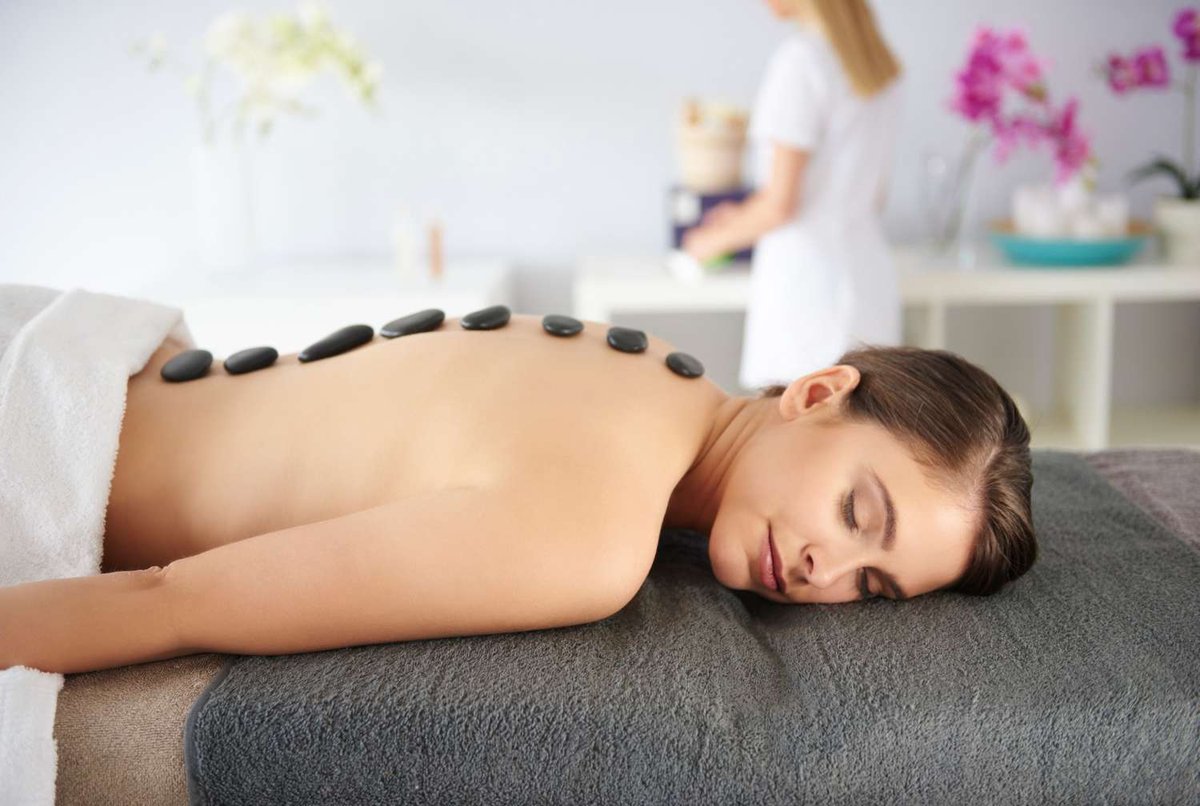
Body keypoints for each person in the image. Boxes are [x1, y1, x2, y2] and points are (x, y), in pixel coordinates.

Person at [0, 313, 1035, 675]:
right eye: (861, 514)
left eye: (876, 587)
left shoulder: (654, 367)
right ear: (815, 393)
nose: (827, 571)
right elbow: (173, 602)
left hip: (86, 349)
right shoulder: (595, 541)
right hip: (44, 435)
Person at [682, 0, 905, 390]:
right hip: (867, 276)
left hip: (809, 288)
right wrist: (742, 215)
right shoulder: (879, 66)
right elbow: (866, 194)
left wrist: (704, 243)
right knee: (867, 426)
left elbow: (781, 204)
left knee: (798, 429)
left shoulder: (801, 62)